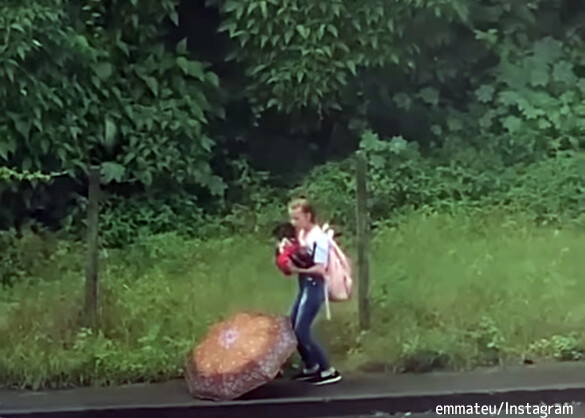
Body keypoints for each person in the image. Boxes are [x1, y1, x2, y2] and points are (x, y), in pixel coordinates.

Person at [285, 197, 342, 385]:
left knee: (302, 329)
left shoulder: (319, 238)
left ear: (308, 216)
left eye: (297, 218)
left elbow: (319, 268)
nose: (294, 223)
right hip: (304, 284)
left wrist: (297, 269)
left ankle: (327, 370)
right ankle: (311, 366)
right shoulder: (302, 235)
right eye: (292, 219)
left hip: (315, 285)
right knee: (292, 326)